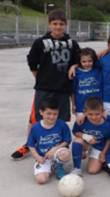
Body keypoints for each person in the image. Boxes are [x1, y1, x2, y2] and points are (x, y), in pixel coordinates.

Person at [11, 9, 80, 160]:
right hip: (44, 88)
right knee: (36, 118)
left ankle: (58, 146)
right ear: (49, 24)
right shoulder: (40, 42)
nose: (58, 27)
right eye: (54, 23)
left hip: (63, 89)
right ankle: (29, 145)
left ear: (66, 25)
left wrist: (74, 66)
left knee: (59, 119)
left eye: (61, 24)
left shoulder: (72, 44)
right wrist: (41, 78)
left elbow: (78, 61)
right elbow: (32, 62)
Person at [27, 98, 72, 183]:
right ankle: (47, 168)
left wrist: (54, 149)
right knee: (41, 180)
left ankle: (58, 166)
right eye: (48, 113)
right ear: (41, 112)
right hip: (43, 156)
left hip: (57, 152)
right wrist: (38, 158)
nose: (51, 117)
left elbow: (67, 141)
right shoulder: (36, 127)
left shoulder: (62, 125)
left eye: (55, 114)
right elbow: (31, 145)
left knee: (66, 154)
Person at [71, 97, 110, 176]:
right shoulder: (81, 121)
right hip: (87, 144)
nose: (94, 117)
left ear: (103, 112)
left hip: (99, 147)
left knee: (92, 170)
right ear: (85, 112)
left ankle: (101, 161)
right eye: (90, 114)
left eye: (97, 114)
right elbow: (75, 132)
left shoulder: (107, 125)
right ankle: (77, 168)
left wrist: (103, 153)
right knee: (77, 141)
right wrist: (86, 136)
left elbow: (109, 140)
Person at [71, 48, 102, 121]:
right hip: (81, 106)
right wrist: (73, 105)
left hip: (98, 106)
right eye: (84, 61)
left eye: (89, 61)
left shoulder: (99, 70)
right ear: (79, 61)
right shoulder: (76, 73)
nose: (87, 63)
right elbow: (73, 91)